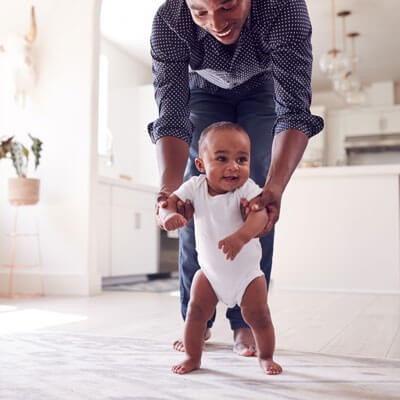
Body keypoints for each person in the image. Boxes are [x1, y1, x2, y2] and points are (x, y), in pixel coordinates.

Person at [148, 0, 324, 356]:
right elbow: (172, 116)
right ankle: (196, 318)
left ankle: (246, 322)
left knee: (254, 193)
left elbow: (293, 109)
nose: (216, 22)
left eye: (227, 6)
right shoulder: (169, 20)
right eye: (200, 12)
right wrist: (169, 191)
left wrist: (274, 188)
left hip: (263, 88)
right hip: (201, 90)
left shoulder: (283, 8)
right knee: (191, 196)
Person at [159, 122, 282, 375]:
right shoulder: (195, 187)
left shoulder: (247, 189)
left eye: (241, 159)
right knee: (195, 313)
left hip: (247, 276)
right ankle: (193, 358)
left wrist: (240, 237)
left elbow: (259, 218)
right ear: (201, 165)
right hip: (210, 273)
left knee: (259, 316)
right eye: (222, 158)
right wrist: (169, 215)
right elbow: (169, 201)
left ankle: (266, 357)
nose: (233, 166)